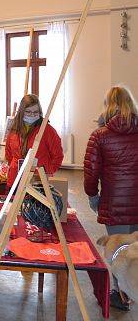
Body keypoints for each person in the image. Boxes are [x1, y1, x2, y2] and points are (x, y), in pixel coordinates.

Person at [84, 86, 138, 311]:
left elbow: (91, 172)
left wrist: (92, 195)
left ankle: (120, 295)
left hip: (114, 202)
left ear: (108, 105)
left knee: (117, 250)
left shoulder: (100, 135)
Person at [4, 94, 63, 187]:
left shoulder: (47, 130)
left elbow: (58, 155)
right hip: (15, 179)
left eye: (35, 112)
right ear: (22, 111)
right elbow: (8, 154)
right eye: (28, 112)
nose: (32, 115)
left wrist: (47, 171)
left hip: (38, 180)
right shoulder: (14, 129)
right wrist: (13, 167)